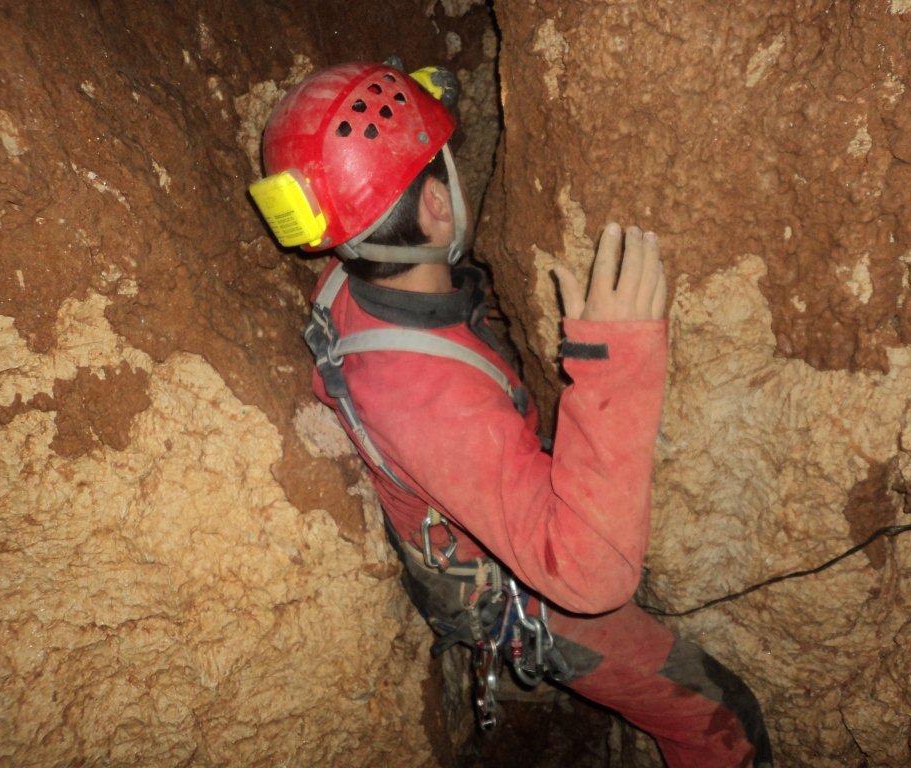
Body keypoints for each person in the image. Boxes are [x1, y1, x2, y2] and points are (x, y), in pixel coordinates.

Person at [249, 61, 773, 768]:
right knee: (721, 715)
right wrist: (616, 369)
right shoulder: (434, 401)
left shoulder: (351, 275)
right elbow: (591, 577)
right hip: (523, 589)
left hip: (466, 486)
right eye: (450, 173)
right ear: (437, 207)